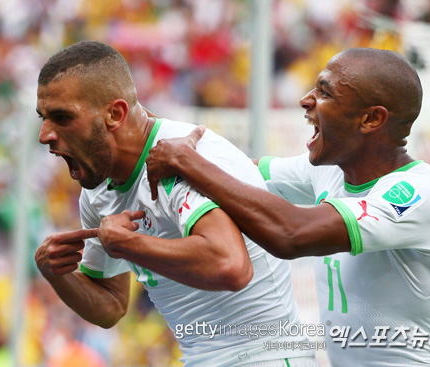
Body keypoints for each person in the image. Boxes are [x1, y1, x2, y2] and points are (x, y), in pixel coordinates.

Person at [145, 48, 430, 366]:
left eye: (325, 92)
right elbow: (236, 173)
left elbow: (292, 234)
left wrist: (188, 162)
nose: (306, 100)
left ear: (371, 119)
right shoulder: (327, 171)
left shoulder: (422, 194)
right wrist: (142, 126)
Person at [34, 40, 319, 367]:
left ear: (115, 114)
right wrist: (57, 274)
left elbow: (231, 267)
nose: (45, 135)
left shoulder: (180, 161)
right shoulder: (98, 193)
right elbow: (110, 305)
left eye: (61, 117)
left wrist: (128, 244)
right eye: (43, 117)